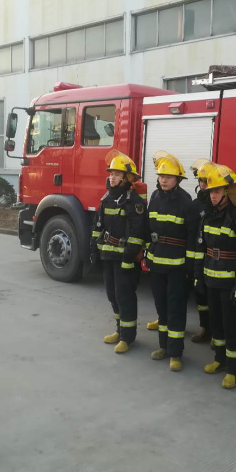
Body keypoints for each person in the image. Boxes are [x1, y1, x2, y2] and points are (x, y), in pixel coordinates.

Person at [194, 165, 236, 389]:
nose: (213, 195)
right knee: (216, 323)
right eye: (211, 191)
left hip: (231, 284)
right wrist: (198, 277)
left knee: (232, 326)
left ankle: (234, 369)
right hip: (211, 280)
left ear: (228, 192)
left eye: (217, 191)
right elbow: (201, 249)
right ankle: (220, 359)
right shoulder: (207, 217)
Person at [91, 150, 147, 354]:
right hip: (108, 255)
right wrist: (94, 249)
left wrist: (128, 256)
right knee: (112, 295)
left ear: (126, 178)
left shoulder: (134, 202)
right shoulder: (107, 198)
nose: (112, 177)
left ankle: (127, 337)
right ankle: (119, 329)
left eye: (116, 174)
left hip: (125, 258)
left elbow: (138, 232)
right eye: (111, 174)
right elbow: (98, 226)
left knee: (125, 296)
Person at [146, 151, 197, 371]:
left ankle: (176, 354)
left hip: (177, 266)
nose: (163, 180)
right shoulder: (155, 197)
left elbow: (192, 236)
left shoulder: (186, 202)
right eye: (161, 176)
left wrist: (190, 267)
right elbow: (148, 228)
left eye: (168, 177)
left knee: (176, 309)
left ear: (177, 179)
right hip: (157, 262)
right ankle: (164, 347)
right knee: (161, 307)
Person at [187, 159, 216, 344]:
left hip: (214, 260)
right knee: (200, 297)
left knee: (214, 298)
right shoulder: (194, 205)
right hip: (197, 259)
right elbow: (190, 234)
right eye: (200, 181)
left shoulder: (217, 204)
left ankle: (217, 333)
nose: (203, 184)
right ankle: (205, 329)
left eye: (206, 181)